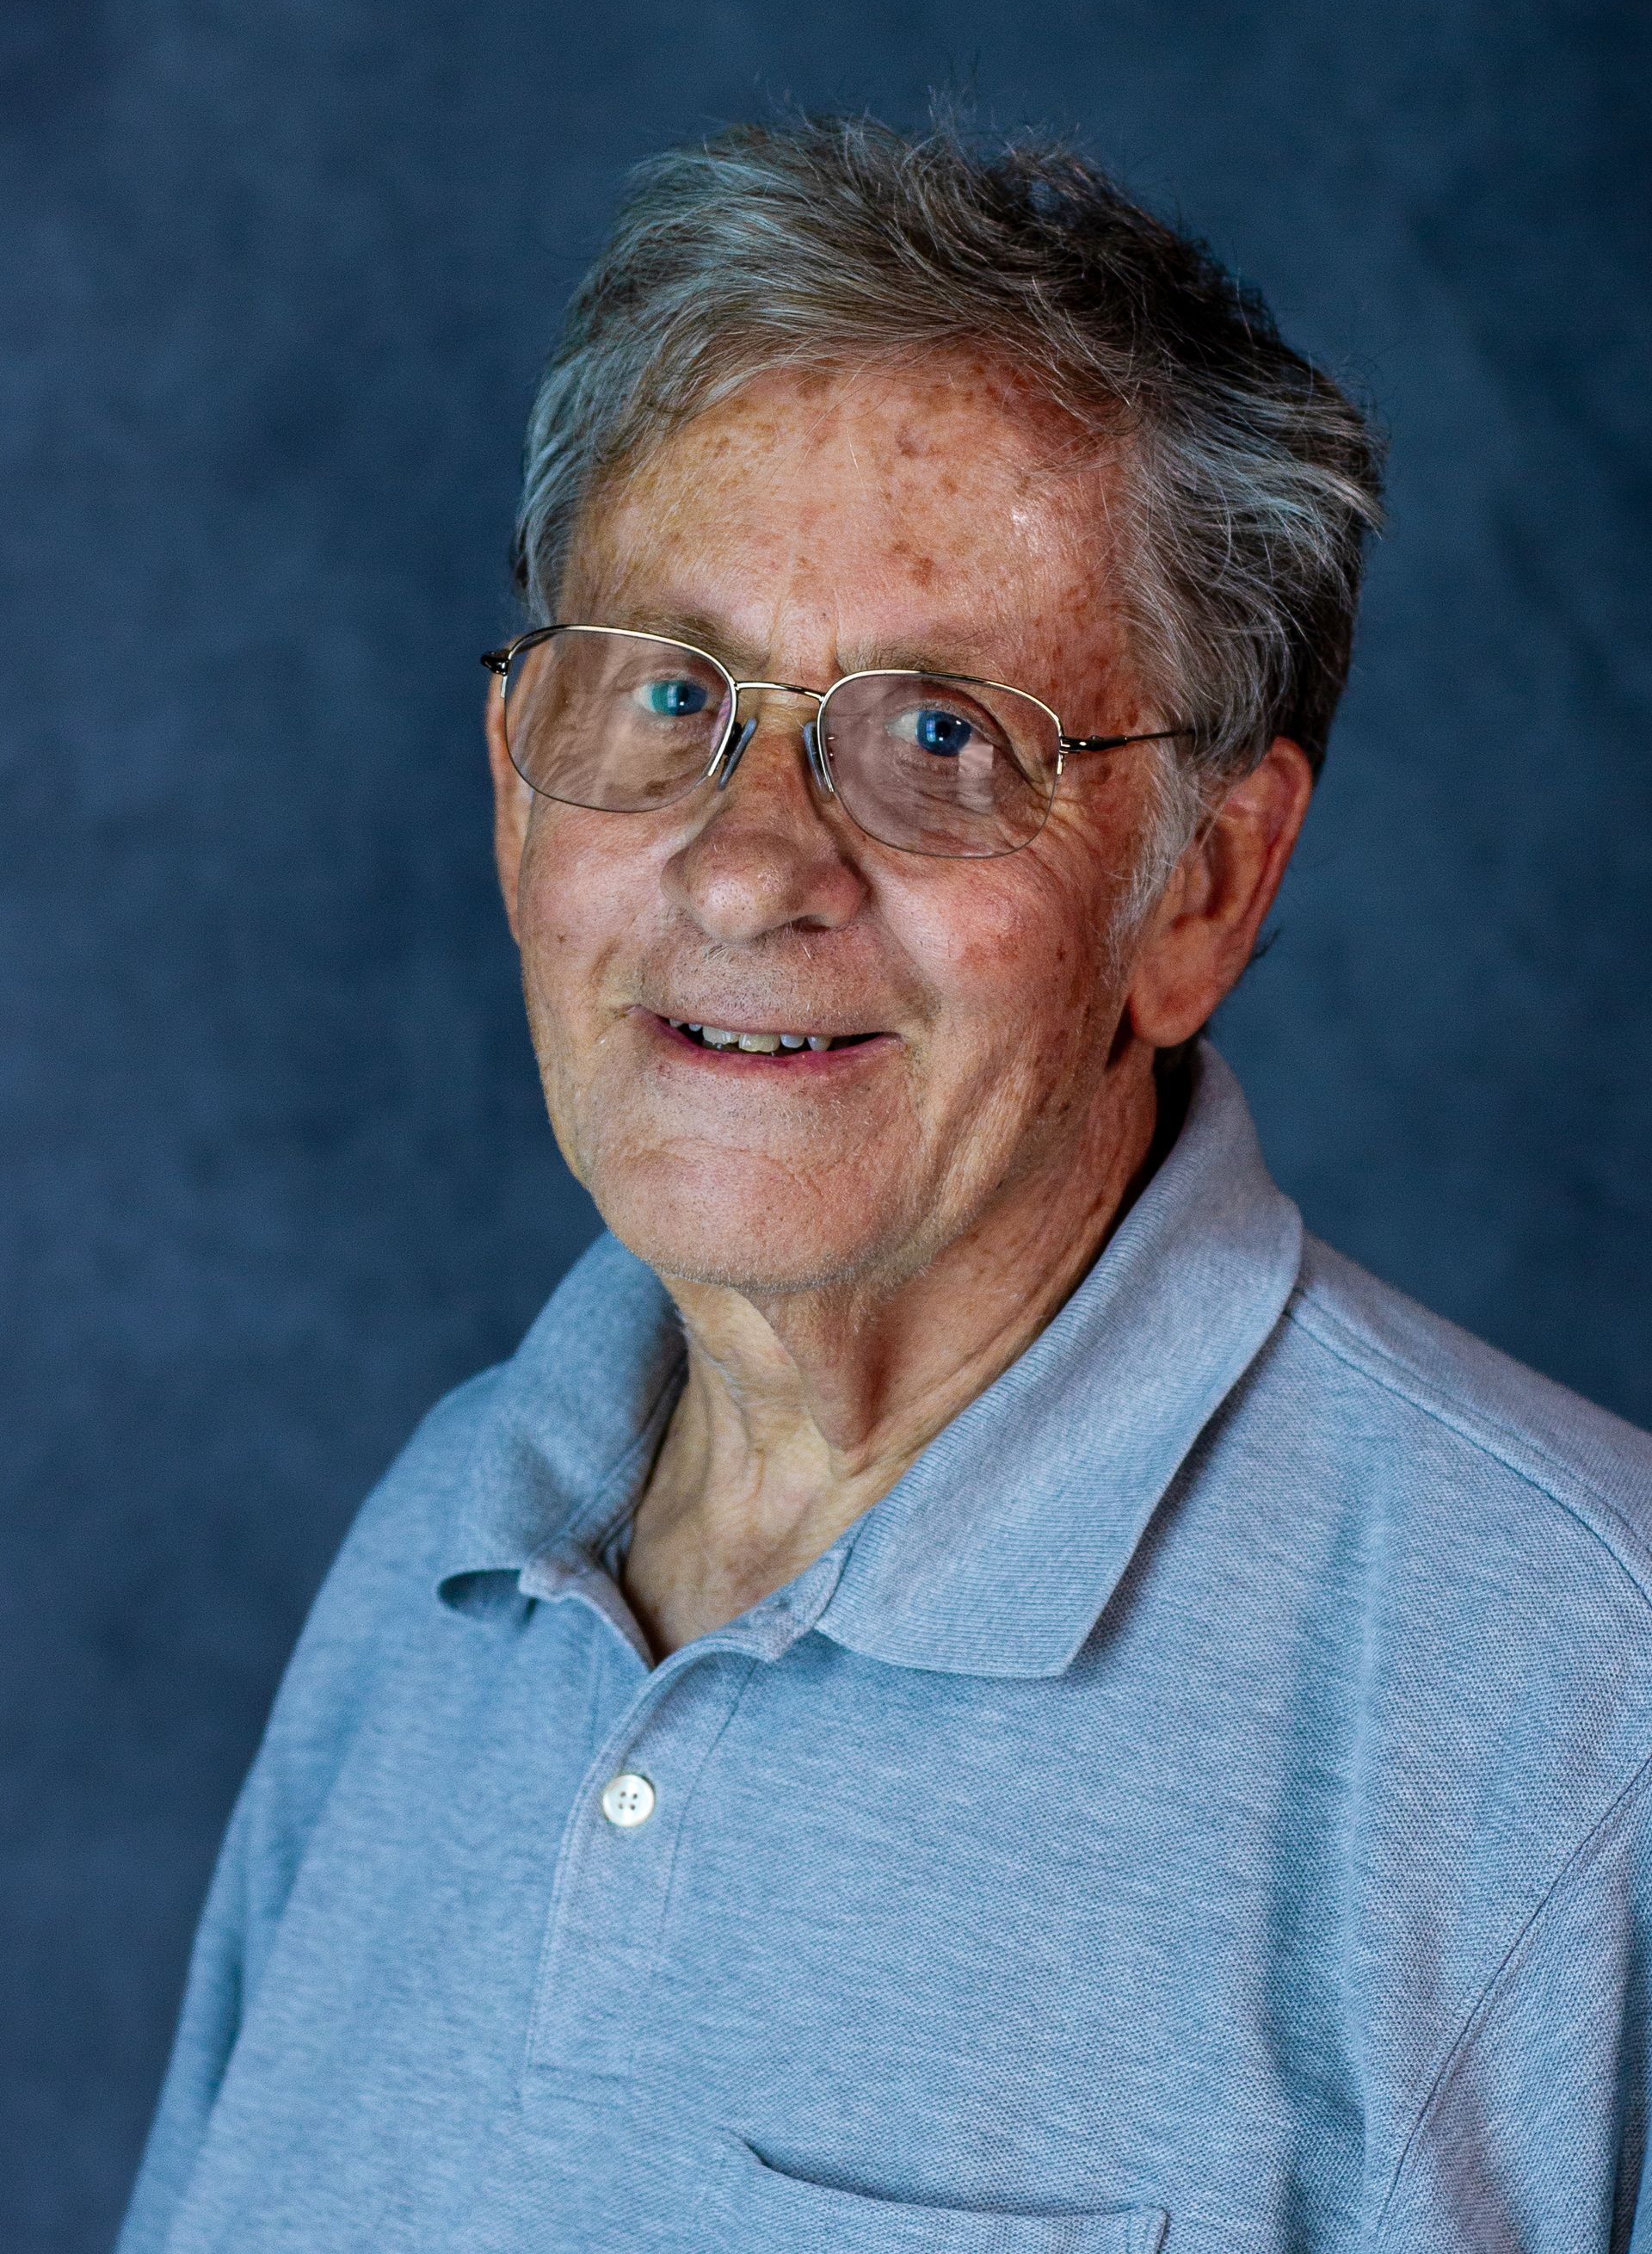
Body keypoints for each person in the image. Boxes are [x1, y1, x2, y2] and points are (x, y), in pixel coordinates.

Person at [119, 114, 1652, 2254]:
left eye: (942, 736)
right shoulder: (437, 1562)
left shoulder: (1587, 1716)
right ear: (512, 796)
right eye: (670, 691)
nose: (751, 863)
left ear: (1201, 888)